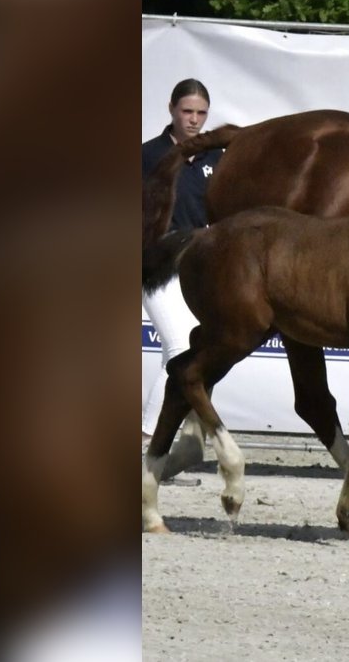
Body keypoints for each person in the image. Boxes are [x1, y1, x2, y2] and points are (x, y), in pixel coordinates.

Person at [141, 78, 222, 448]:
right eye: (187, 111)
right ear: (171, 109)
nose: (194, 119)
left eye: (201, 113)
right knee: (182, 350)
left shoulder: (216, 158)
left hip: (200, 267)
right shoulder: (147, 156)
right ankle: (151, 437)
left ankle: (160, 440)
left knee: (182, 352)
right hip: (156, 266)